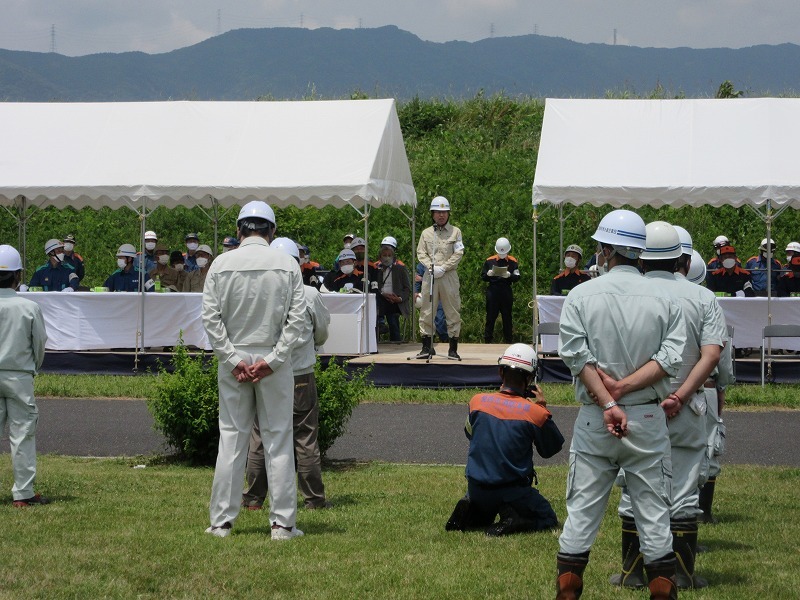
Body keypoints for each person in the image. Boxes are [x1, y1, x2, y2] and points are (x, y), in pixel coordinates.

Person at [555, 209, 686, 600]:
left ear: (606, 249)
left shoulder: (581, 295)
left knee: (581, 515)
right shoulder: (665, 297)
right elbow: (671, 358)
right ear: (639, 252)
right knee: (654, 517)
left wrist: (610, 398)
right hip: (647, 415)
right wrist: (626, 390)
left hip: (597, 417)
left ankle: (567, 592)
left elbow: (576, 356)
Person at [610, 222, 724, 590]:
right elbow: (711, 355)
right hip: (687, 408)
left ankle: (631, 573)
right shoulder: (704, 298)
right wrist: (683, 395)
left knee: (634, 487)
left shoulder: (626, 295)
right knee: (685, 487)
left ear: (641, 256)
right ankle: (682, 575)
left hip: (638, 403)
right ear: (682, 258)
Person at [202, 201, 306, 540]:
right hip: (271, 359)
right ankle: (282, 524)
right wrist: (272, 361)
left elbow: (211, 319)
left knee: (232, 438)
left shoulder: (220, 264)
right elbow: (296, 321)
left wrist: (233, 359)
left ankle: (221, 522)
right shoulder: (287, 265)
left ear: (239, 230)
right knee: (278, 438)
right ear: (272, 231)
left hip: (234, 360)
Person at [243, 237, 332, 511]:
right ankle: (313, 500)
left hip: (267, 372)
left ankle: (254, 499)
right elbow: (322, 333)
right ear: (299, 264)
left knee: (260, 434)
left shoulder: (260, 293)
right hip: (301, 376)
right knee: (305, 437)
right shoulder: (309, 294)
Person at [445, 343, 563, 536]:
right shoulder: (535, 413)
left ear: (501, 372)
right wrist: (542, 408)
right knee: (547, 517)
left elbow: (469, 433)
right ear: (530, 378)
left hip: (476, 488)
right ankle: (514, 520)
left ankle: (473, 511)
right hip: (512, 491)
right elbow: (550, 449)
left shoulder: (477, 402)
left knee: (484, 512)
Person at [0, 245, 50, 507]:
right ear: (18, 276)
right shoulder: (29, 307)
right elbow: (39, 343)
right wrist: (33, 368)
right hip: (19, 376)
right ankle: (23, 493)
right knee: (22, 435)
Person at [416, 196, 465, 360]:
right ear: (432, 214)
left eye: (444, 212)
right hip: (430, 275)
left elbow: (459, 252)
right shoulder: (426, 233)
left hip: (448, 275)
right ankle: (426, 347)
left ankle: (453, 348)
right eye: (437, 212)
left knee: (452, 309)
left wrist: (444, 267)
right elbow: (421, 252)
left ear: (448, 213)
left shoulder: (455, 232)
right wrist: (431, 267)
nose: (441, 215)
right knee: (427, 309)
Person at [481, 237, 521, 344]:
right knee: (490, 316)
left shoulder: (513, 261)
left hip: (506, 290)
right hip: (493, 291)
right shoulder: (490, 261)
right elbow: (483, 276)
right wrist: (488, 275)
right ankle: (487, 341)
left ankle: (508, 341)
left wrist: (510, 275)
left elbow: (517, 277)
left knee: (507, 317)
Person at [373, 239, 411, 342]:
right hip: (381, 299)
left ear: (393, 257)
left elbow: (407, 288)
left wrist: (399, 298)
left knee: (393, 319)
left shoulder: (400, 269)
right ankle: (375, 340)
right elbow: (374, 286)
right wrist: (383, 295)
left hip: (396, 301)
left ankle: (396, 341)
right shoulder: (376, 270)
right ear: (380, 257)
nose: (387, 258)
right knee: (374, 313)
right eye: (384, 255)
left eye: (389, 255)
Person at [414, 262, 448, 342]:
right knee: (426, 318)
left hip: (440, 294)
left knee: (440, 320)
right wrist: (415, 292)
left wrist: (423, 279)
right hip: (427, 294)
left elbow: (444, 277)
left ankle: (444, 339)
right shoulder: (422, 264)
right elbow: (417, 279)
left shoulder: (444, 261)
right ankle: (428, 341)